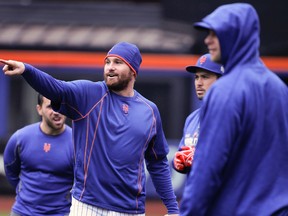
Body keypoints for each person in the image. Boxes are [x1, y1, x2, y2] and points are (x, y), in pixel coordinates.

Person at [0, 42, 179, 216]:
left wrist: (172, 208)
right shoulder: (89, 94)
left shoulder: (149, 111)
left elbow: (157, 162)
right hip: (87, 206)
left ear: (133, 70)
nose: (110, 67)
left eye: (117, 62)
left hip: (131, 208)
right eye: (107, 62)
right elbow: (56, 87)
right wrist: (27, 70)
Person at [179, 3, 288, 216]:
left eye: (214, 33)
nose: (207, 40)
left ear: (235, 34)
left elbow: (207, 170)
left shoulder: (226, 90)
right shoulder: (280, 88)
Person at [4, 94, 74, 216]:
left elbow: (83, 182)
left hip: (61, 213)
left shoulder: (77, 142)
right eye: (50, 107)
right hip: (22, 212)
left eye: (60, 106)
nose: (57, 112)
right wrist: (24, 192)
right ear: (39, 109)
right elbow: (10, 170)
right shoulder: (20, 138)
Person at [172, 53, 223, 174]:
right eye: (196, 77)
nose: (198, 83)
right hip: (195, 191)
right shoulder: (192, 118)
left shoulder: (231, 115)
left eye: (205, 77)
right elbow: (181, 155)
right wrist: (177, 162)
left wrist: (198, 157)